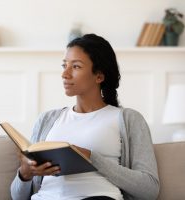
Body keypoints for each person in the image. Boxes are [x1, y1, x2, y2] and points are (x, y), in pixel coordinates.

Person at [10, 34, 159, 200]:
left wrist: (90, 157)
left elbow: (149, 190)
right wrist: (25, 174)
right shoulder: (47, 119)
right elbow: (17, 197)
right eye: (64, 65)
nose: (65, 74)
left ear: (99, 76)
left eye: (76, 67)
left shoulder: (128, 119)